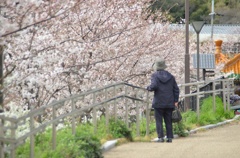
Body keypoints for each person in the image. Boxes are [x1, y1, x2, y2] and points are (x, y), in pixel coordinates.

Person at [146, 58, 179, 143]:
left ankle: (160, 137)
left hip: (159, 102)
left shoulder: (155, 75)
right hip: (169, 102)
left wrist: (148, 88)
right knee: (168, 120)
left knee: (159, 120)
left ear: (156, 66)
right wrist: (176, 100)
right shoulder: (171, 76)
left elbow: (154, 86)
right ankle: (169, 137)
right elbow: (176, 89)